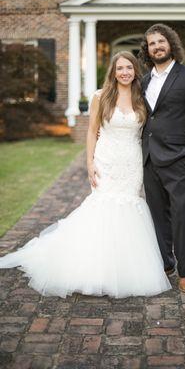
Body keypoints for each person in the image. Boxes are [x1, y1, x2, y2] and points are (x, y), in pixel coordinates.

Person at [0, 51, 171, 299]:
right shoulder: (100, 97)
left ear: (135, 72)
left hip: (131, 162)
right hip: (106, 159)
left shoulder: (142, 98)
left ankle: (123, 265)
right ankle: (96, 267)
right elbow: (92, 132)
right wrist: (89, 162)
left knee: (128, 206)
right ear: (113, 71)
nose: (125, 72)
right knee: (102, 205)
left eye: (129, 68)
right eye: (120, 68)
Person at [139, 23, 185, 293]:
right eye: (151, 43)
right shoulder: (144, 80)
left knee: (182, 217)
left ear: (171, 43)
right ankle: (166, 263)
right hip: (150, 160)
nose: (156, 46)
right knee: (158, 216)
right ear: (147, 50)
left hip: (179, 160)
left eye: (160, 41)